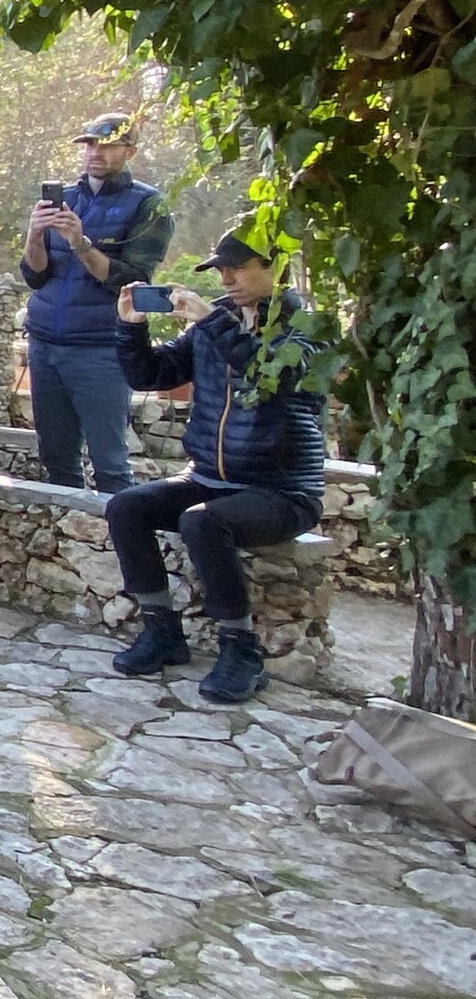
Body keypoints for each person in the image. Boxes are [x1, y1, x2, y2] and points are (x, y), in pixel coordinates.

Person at [105, 233, 326, 704]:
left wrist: (210, 321)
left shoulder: (307, 325)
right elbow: (152, 375)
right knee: (127, 506)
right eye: (221, 270)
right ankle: (162, 631)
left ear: (275, 267)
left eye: (238, 267)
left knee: (202, 521)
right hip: (208, 476)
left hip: (283, 489)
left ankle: (242, 651)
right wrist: (130, 329)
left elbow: (274, 376)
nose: (226, 279)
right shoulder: (217, 321)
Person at [22, 112, 174, 493]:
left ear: (130, 151)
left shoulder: (148, 205)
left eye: (107, 145)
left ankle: (119, 530)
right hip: (44, 346)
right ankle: (67, 531)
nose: (95, 153)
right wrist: (34, 235)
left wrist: (80, 243)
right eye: (89, 144)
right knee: (56, 460)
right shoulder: (66, 199)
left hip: (101, 350)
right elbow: (35, 276)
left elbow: (130, 283)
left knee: (110, 463)